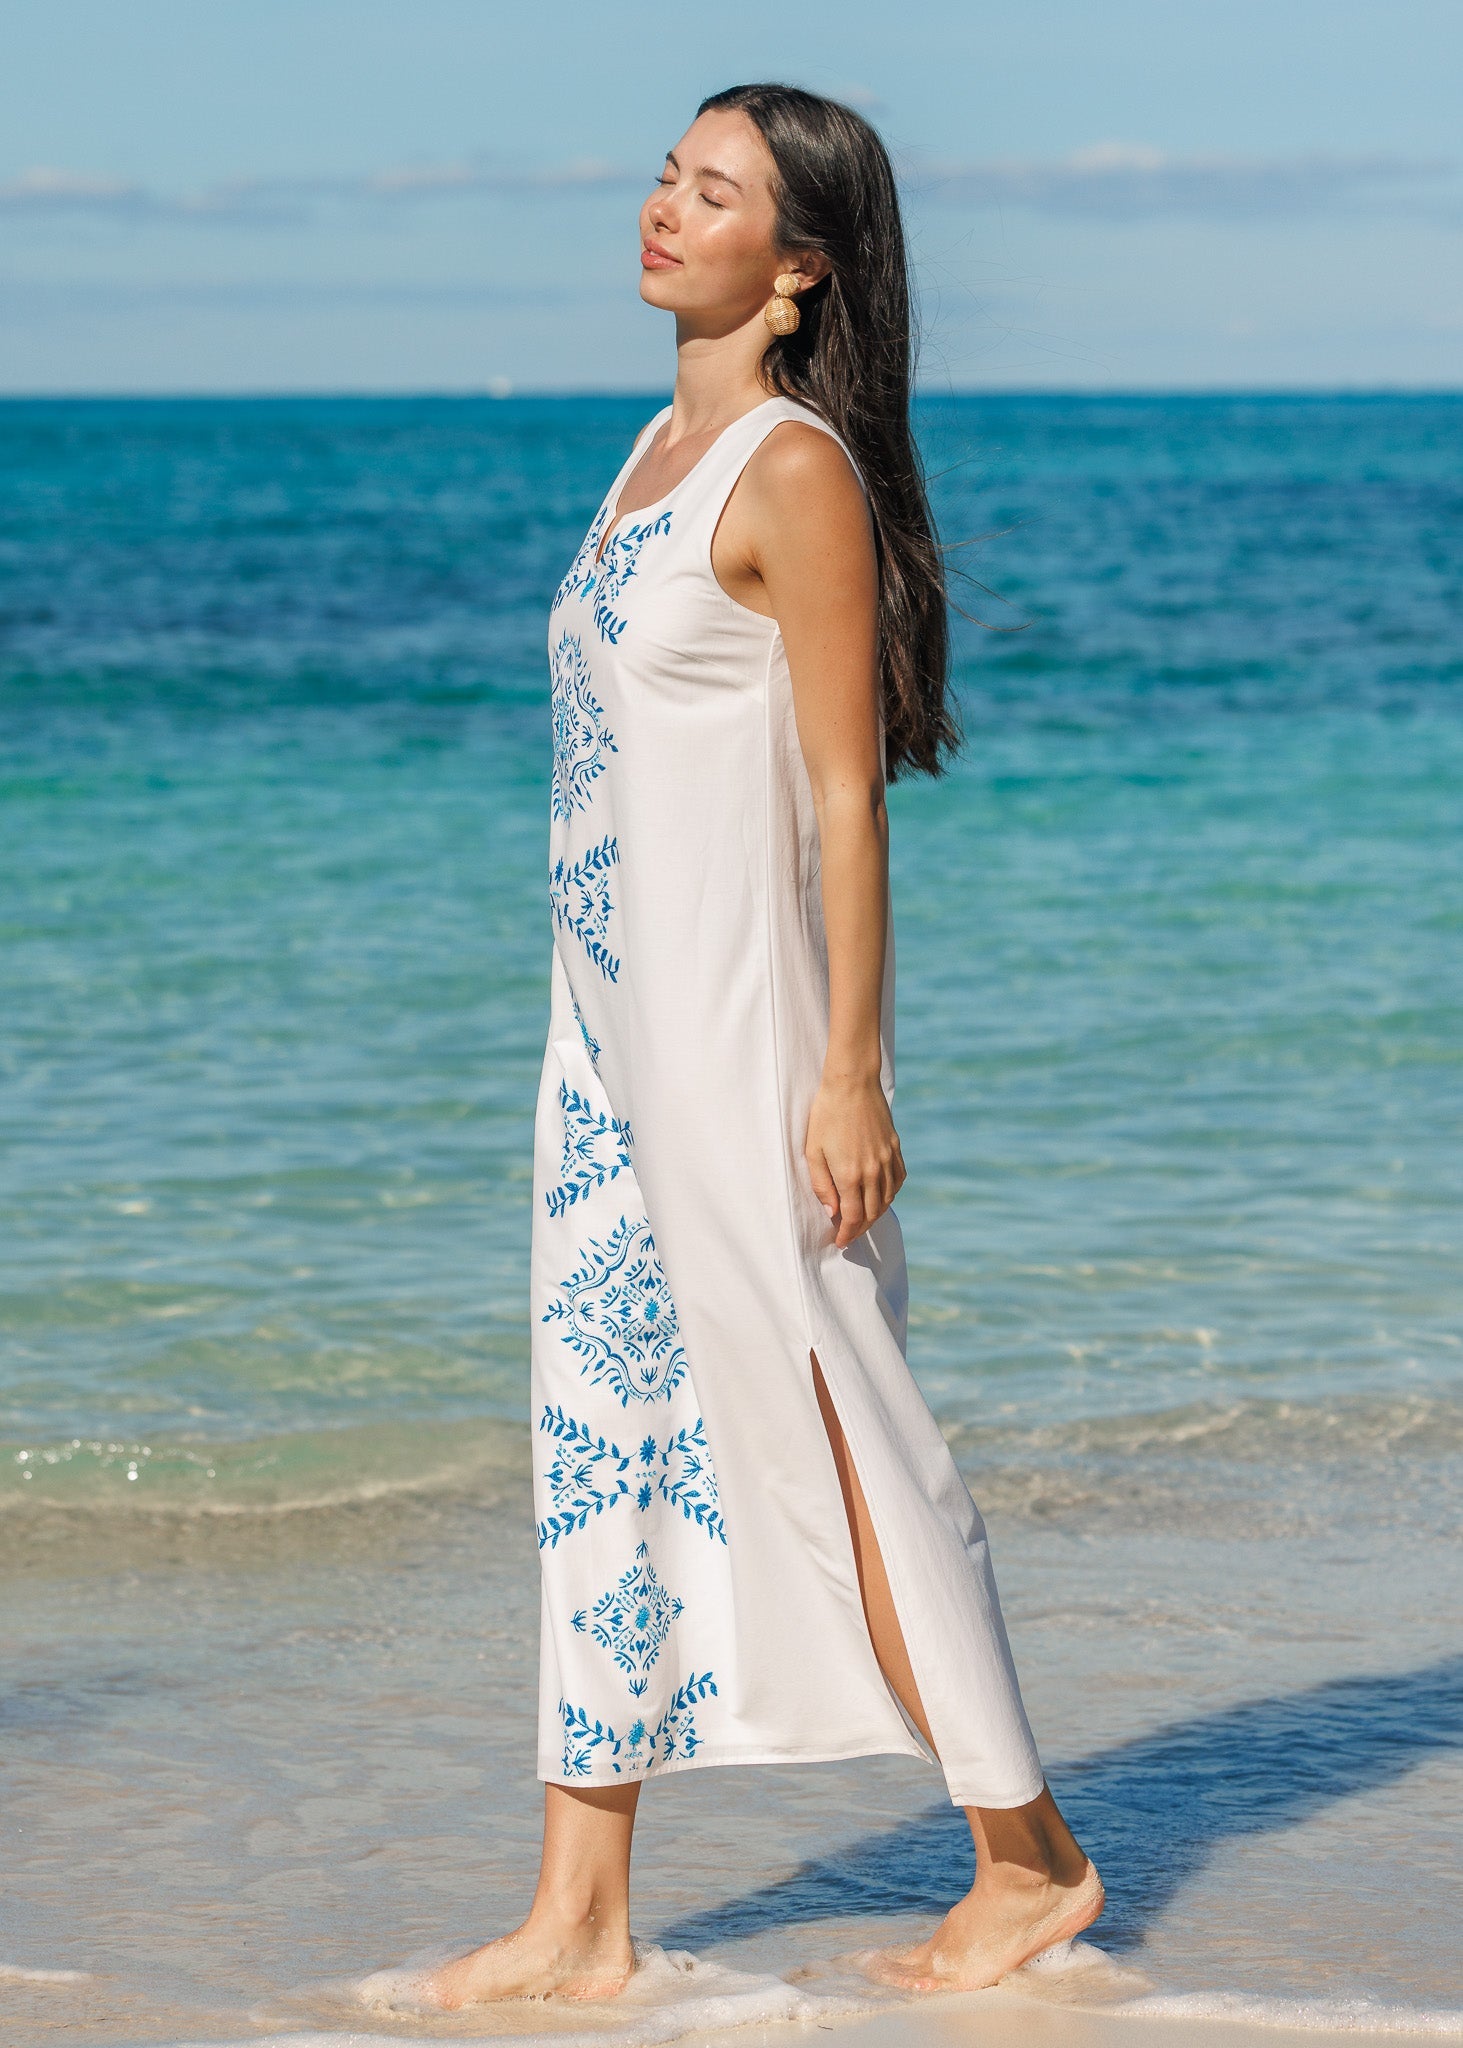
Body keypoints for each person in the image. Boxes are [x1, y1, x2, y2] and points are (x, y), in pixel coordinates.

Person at [422, 81, 1102, 2008]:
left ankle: (1027, 1854)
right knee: (600, 1439)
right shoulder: (654, 447)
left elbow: (843, 799)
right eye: (665, 172)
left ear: (798, 270)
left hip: (745, 1046)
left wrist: (850, 1071)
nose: (662, 207)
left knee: (843, 1425)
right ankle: (579, 1918)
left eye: (710, 192)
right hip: (608, 1050)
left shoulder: (788, 470)